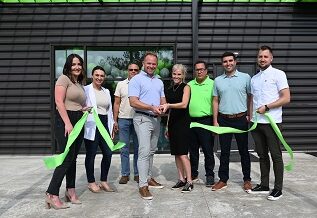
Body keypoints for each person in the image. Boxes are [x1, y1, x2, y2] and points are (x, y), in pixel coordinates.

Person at [249, 45, 290, 201]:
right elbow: (253, 99)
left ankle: (278, 189)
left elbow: (286, 98)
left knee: (276, 156)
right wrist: (250, 115)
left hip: (272, 123)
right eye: (260, 56)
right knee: (261, 155)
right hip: (256, 123)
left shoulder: (278, 74)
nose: (262, 59)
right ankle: (264, 184)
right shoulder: (254, 78)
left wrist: (267, 107)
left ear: (271, 58)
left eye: (265, 56)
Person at [45, 54, 86, 209]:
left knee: (73, 158)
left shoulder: (78, 82)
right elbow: (59, 102)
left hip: (78, 119)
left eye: (79, 64)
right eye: (73, 64)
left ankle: (70, 190)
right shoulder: (63, 79)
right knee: (66, 158)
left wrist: (83, 109)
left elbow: (75, 102)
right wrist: (68, 123)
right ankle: (52, 193)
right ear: (68, 66)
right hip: (65, 120)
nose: (77, 67)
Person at [212, 52, 252, 192]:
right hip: (224, 119)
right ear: (222, 64)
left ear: (235, 62)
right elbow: (215, 100)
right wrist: (215, 120)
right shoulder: (217, 80)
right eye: (225, 61)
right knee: (224, 152)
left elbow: (250, 97)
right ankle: (223, 180)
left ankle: (247, 179)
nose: (228, 63)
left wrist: (249, 115)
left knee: (244, 151)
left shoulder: (245, 78)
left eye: (230, 61)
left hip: (241, 119)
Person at [128, 52, 166, 200]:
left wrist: (164, 106)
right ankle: (143, 185)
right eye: (148, 63)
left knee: (151, 151)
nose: (151, 66)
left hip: (156, 119)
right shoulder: (136, 79)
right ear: (143, 63)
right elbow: (133, 102)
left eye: (154, 64)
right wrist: (151, 107)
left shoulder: (159, 80)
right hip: (142, 118)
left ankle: (149, 178)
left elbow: (162, 98)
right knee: (144, 152)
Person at [161, 64, 193, 192]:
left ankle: (189, 181)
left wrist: (168, 105)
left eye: (179, 74)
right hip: (172, 123)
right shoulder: (169, 90)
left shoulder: (186, 87)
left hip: (183, 123)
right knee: (176, 153)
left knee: (183, 154)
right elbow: (169, 112)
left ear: (183, 75)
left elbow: (184, 104)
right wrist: (167, 127)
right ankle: (181, 179)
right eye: (174, 74)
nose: (176, 76)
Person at [84, 66, 115, 193]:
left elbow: (110, 111)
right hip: (92, 124)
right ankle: (91, 182)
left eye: (102, 76)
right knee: (91, 154)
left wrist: (112, 125)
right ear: (92, 76)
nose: (99, 78)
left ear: (105, 77)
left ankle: (103, 180)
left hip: (104, 125)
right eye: (97, 75)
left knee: (108, 153)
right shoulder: (86, 90)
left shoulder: (106, 91)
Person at [188, 60, 215, 187]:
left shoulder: (213, 84)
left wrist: (215, 122)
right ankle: (193, 173)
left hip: (206, 121)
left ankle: (210, 175)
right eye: (197, 69)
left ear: (206, 71)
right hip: (192, 121)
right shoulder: (189, 85)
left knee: (208, 150)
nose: (199, 71)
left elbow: (216, 103)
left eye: (201, 69)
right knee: (193, 151)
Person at [113, 63, 140, 184]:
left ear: (138, 71)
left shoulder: (141, 84)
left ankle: (138, 173)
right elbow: (116, 103)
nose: (133, 71)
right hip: (123, 119)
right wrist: (115, 120)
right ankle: (125, 174)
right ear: (127, 71)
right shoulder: (121, 84)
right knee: (124, 148)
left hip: (138, 119)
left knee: (138, 148)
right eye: (131, 69)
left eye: (136, 70)